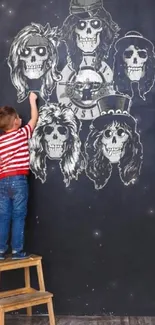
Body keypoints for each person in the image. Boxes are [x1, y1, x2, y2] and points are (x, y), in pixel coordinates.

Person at [0, 92, 38, 260]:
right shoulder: (21, 134)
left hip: (2, 181)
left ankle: (0, 251)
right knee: (18, 216)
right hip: (18, 180)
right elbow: (34, 119)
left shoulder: (1, 142)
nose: (21, 119)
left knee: (3, 217)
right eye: (18, 117)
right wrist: (32, 101)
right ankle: (17, 251)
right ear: (15, 122)